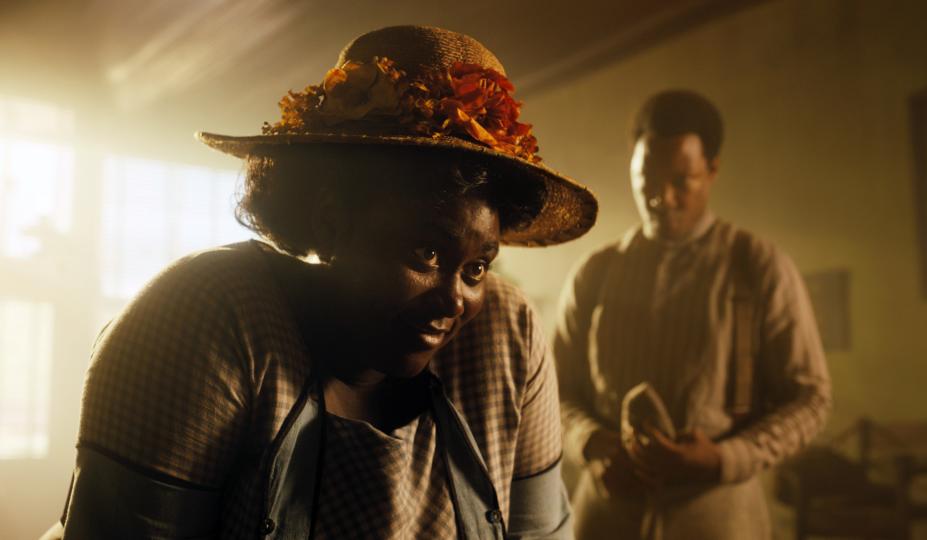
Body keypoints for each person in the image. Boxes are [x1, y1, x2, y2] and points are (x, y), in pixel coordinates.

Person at [48, 25, 597, 539]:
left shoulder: (506, 333)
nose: (455, 298)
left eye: (477, 267)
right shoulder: (209, 318)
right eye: (425, 250)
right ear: (332, 222)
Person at [553, 90, 831, 539]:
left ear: (713, 170)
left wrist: (727, 458)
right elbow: (555, 393)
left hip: (720, 519)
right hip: (606, 517)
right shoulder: (595, 272)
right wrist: (594, 445)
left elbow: (810, 397)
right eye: (646, 181)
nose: (662, 198)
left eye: (681, 181)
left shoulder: (756, 265)